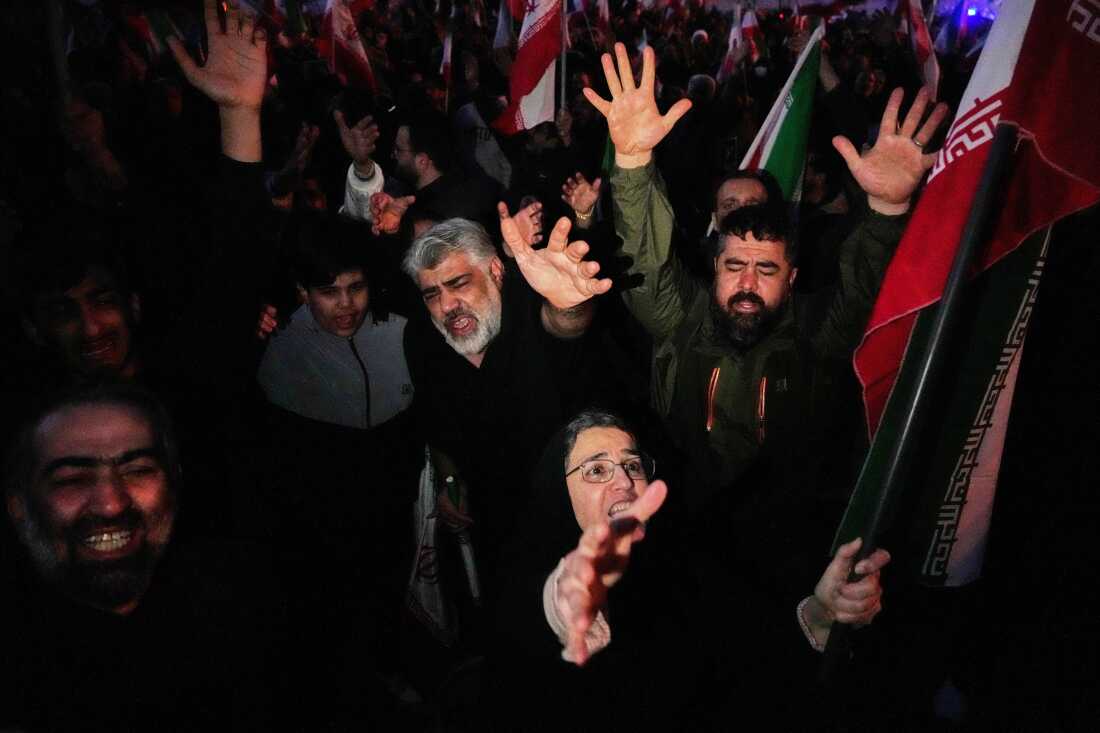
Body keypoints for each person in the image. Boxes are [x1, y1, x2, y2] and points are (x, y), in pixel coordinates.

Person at [582, 42, 947, 631]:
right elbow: (646, 261)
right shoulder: (682, 318)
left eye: (767, 269)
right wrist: (630, 166)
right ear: (713, 268)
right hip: (675, 552)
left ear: (793, 277)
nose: (748, 283)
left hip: (786, 562)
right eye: (734, 266)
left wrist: (884, 207)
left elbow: (862, 287)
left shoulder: (816, 334)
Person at [491, 409, 891, 728]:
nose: (625, 483)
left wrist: (821, 613)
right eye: (596, 470)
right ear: (556, 492)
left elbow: (754, 650)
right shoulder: (526, 580)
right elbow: (542, 621)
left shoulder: (688, 564)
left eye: (633, 465)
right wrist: (569, 606)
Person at [1, 383, 286, 731]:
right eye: (73, 478)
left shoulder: (251, 612)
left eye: (137, 470)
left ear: (174, 484)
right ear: (19, 505)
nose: (110, 503)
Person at [401, 211, 614, 582]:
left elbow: (565, 322)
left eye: (459, 283)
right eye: (432, 294)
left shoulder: (529, 305)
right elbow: (434, 425)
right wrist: (451, 482)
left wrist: (568, 303)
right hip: (492, 534)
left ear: (496, 272)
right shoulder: (422, 340)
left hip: (572, 523)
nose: (447, 306)